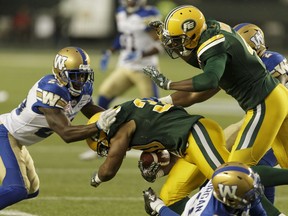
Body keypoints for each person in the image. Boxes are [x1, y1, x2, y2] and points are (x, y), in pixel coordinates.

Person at [143, 5, 288, 168]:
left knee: (235, 170)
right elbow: (198, 70)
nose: (175, 45)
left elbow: (209, 80)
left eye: (178, 40)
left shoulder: (214, 47)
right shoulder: (210, 30)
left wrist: (170, 84)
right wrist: (163, 102)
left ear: (192, 34)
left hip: (265, 103)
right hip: (274, 99)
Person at [87, 98, 287, 215]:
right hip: (188, 149)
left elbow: (110, 168)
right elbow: (169, 141)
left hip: (197, 136)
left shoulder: (122, 130)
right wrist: (161, 164)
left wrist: (96, 178)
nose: (109, 148)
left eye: (105, 145)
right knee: (169, 198)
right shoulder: (133, 116)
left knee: (233, 178)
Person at [0, 46, 119, 210]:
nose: (81, 80)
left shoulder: (82, 89)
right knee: (16, 189)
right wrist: (98, 126)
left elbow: (88, 108)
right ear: (60, 73)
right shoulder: (50, 89)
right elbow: (66, 133)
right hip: (4, 134)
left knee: (31, 190)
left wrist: (117, 116)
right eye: (76, 75)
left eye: (84, 75)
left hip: (16, 139)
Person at [78, 0, 163, 160]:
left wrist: (141, 54)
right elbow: (124, 35)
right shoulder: (121, 12)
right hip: (125, 65)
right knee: (103, 96)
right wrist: (111, 50)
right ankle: (101, 140)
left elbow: (160, 41)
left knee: (153, 107)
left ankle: (157, 147)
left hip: (145, 68)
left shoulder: (149, 14)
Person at [223, 23, 288, 204]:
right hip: (273, 119)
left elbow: (277, 96)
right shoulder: (253, 63)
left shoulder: (271, 59)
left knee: (259, 165)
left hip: (281, 122)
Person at [143, 162, 267, 216]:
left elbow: (260, 214)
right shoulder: (209, 213)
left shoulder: (236, 190)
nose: (254, 193)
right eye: (249, 192)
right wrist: (159, 207)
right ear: (230, 197)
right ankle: (155, 204)